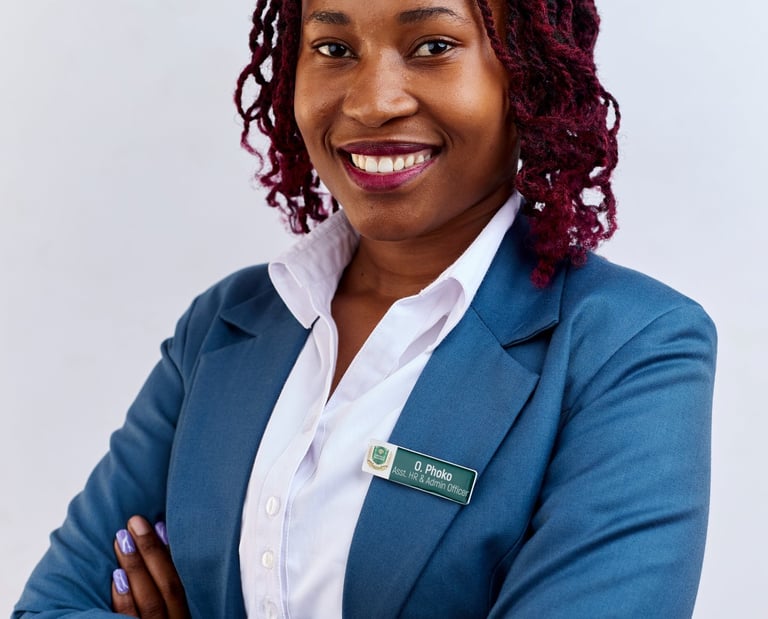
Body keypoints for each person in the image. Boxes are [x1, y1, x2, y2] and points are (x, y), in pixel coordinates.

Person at [13, 0, 717, 617]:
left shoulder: (632, 350)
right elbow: (50, 606)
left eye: (433, 46)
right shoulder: (226, 325)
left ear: (526, 75)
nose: (373, 102)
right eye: (334, 48)